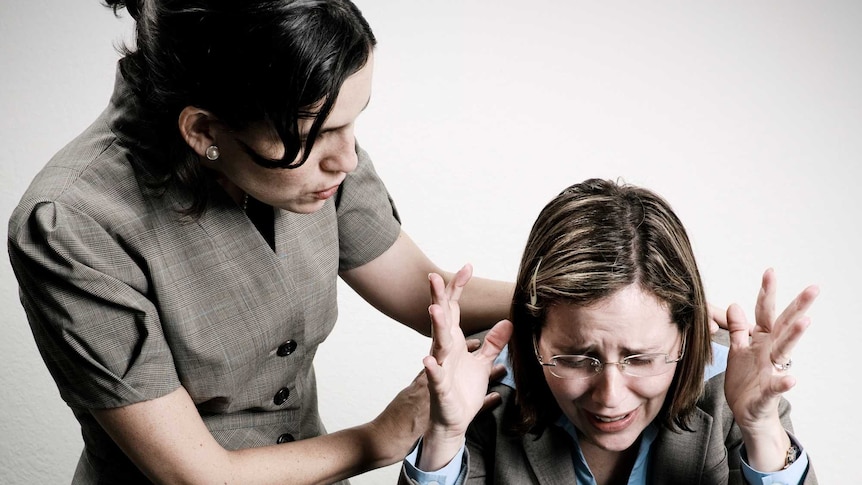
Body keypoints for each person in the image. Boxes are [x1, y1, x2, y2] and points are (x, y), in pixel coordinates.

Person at [6, 1, 515, 483]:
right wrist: (380, 439)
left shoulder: (311, 145)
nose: (348, 159)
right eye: (317, 134)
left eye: (352, 121)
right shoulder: (72, 223)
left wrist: (577, 298)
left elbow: (423, 292)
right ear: (204, 129)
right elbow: (194, 474)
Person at [402, 178, 819, 484]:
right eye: (578, 359)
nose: (610, 397)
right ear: (534, 340)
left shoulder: (735, 380)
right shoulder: (483, 387)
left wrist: (761, 427)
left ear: (686, 338)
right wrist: (444, 435)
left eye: (642, 358)